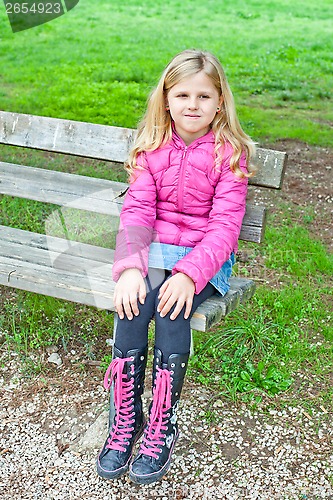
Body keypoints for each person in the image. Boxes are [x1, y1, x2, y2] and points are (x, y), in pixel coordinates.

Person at [96, 49, 255, 485]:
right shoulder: (151, 149)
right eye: (182, 94)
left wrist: (188, 274)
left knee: (170, 305)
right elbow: (137, 214)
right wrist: (130, 267)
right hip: (152, 256)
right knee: (134, 300)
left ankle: (163, 423)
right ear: (166, 99)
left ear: (220, 101)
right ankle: (126, 417)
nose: (192, 105)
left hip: (206, 262)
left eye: (204, 96)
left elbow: (224, 230)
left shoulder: (230, 154)